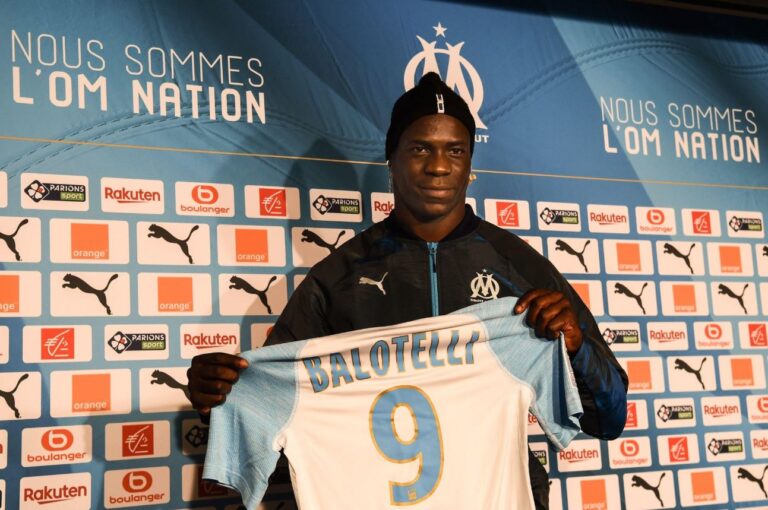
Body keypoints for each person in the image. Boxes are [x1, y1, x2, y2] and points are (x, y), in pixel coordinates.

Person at [189, 72, 628, 509]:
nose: (439, 166)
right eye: (420, 148)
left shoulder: (521, 266)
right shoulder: (336, 278)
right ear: (392, 159)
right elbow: (271, 412)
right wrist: (219, 399)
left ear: (470, 163)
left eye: (455, 150)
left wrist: (576, 350)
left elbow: (608, 419)